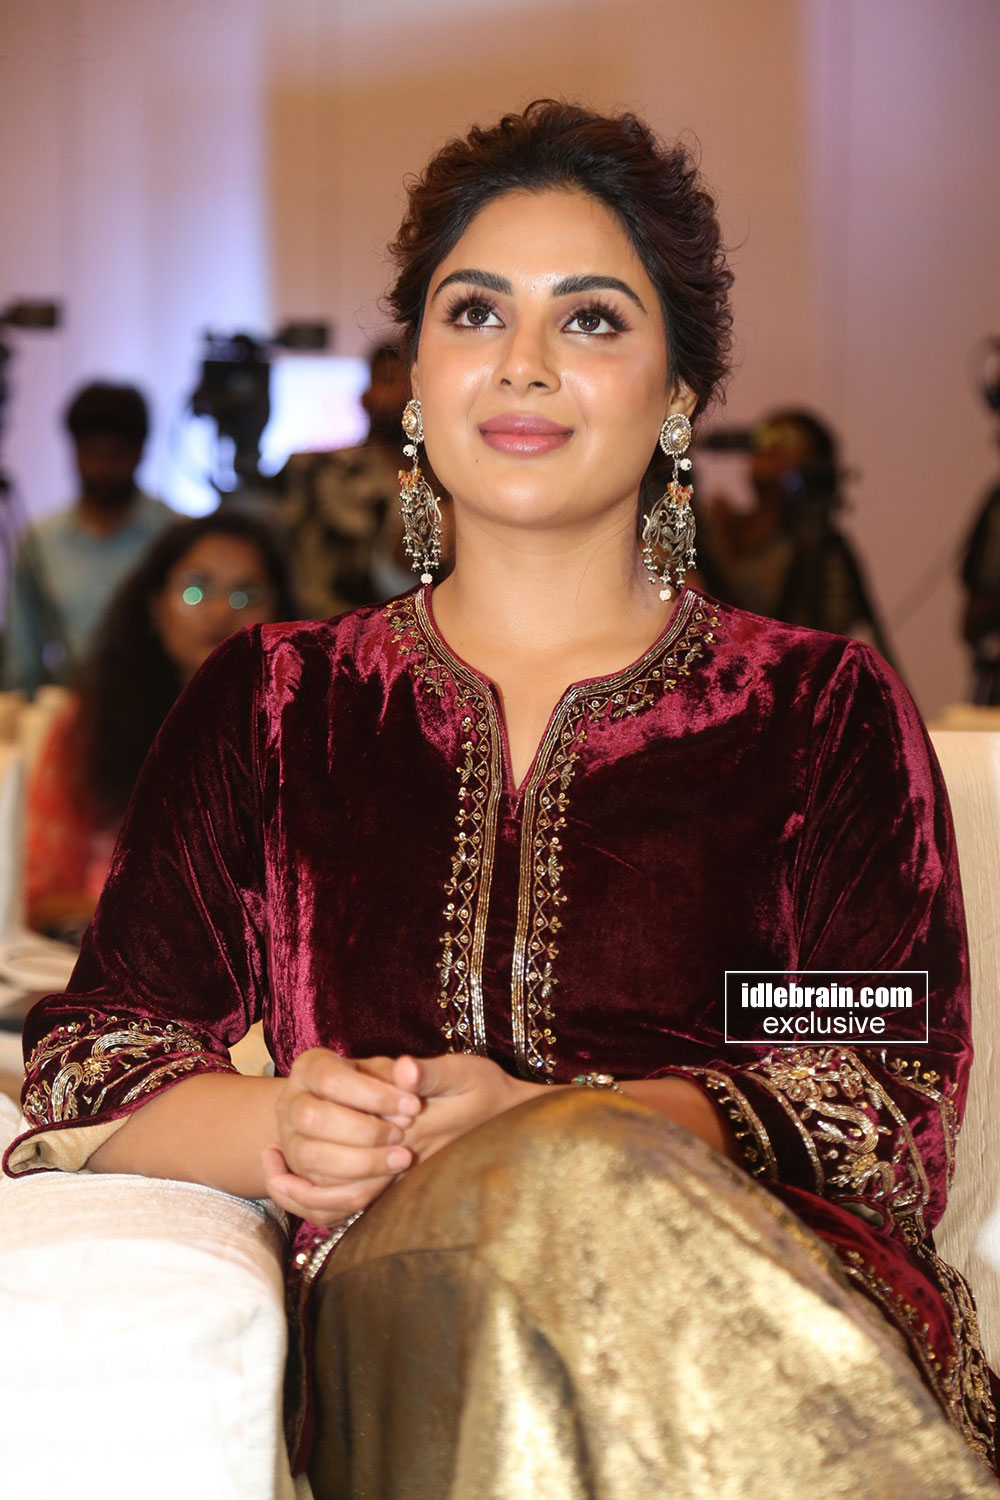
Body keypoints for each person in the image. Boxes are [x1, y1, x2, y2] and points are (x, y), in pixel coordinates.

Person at [3, 102, 998, 1499]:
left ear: (678, 395)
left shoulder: (813, 711)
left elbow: (877, 1083)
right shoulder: (280, 703)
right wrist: (290, 1128)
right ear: (415, 380)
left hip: (778, 1294)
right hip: (411, 1308)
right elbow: (97, 1055)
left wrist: (572, 1121)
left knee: (574, 1174)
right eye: (476, 313)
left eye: (590, 320)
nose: (524, 361)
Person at [24, 512, 296, 942]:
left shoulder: (303, 730)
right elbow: (40, 896)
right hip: (105, 956)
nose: (221, 611)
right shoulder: (91, 726)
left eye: (248, 594)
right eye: (196, 588)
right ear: (155, 606)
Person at [3, 381, 176, 694]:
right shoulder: (42, 541)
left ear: (140, 453)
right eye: (90, 453)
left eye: (115, 455)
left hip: (160, 705)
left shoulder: (173, 535)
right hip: (67, 706)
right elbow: (23, 654)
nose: (101, 468)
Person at [696, 408, 896, 661]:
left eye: (788, 438)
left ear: (815, 463)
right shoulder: (714, 526)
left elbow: (811, 645)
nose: (770, 445)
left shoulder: (822, 553)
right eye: (764, 435)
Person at [278, 341, 435, 617]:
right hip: (325, 628)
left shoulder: (452, 483)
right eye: (389, 381)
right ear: (364, 396)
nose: (406, 396)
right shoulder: (315, 470)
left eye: (417, 386)